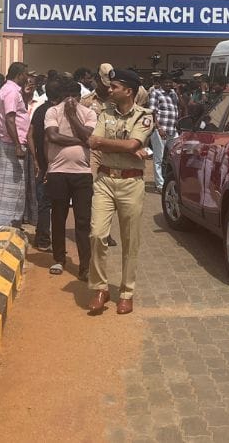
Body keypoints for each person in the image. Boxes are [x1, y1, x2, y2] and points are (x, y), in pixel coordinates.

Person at [87, 69, 153, 316]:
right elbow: (93, 141)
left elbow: (133, 144)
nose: (110, 89)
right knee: (97, 234)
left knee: (130, 240)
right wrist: (125, 147)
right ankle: (100, 288)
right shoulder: (105, 114)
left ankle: (126, 293)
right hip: (104, 180)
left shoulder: (144, 116)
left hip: (131, 182)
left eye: (114, 86)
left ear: (129, 91)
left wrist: (114, 145)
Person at [43, 75, 98, 279]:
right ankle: (59, 258)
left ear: (79, 96)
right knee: (58, 217)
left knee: (83, 221)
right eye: (67, 96)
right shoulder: (52, 111)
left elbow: (89, 136)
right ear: (62, 96)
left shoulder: (89, 113)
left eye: (74, 96)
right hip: (58, 171)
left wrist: (73, 117)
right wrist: (81, 141)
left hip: (82, 173)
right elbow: (52, 136)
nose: (70, 100)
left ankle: (84, 266)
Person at [0, 62, 31, 230]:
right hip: (12, 143)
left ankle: (12, 222)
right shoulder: (11, 92)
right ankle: (4, 224)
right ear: (19, 74)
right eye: (25, 74)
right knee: (12, 187)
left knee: (17, 186)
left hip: (13, 142)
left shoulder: (10, 90)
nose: (27, 78)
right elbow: (10, 118)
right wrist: (17, 145)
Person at [26, 75, 59, 251]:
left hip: (41, 162)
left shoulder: (39, 110)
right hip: (54, 163)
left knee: (43, 202)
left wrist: (35, 158)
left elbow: (29, 135)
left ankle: (41, 237)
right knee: (52, 203)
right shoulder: (56, 112)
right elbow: (47, 140)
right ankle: (45, 240)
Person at [147, 73, 180, 193]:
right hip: (160, 130)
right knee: (159, 158)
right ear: (161, 82)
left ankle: (171, 180)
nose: (168, 84)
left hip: (173, 130)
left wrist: (178, 91)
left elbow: (181, 106)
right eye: (166, 82)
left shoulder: (173, 93)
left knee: (175, 156)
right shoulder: (155, 93)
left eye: (170, 82)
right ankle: (160, 185)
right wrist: (159, 128)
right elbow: (152, 112)